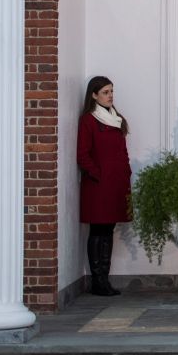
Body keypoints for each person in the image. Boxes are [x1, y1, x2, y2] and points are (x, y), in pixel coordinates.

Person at [76, 76, 133, 297]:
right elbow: (83, 154)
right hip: (98, 185)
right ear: (94, 95)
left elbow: (122, 151)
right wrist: (98, 175)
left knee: (108, 229)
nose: (110, 96)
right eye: (106, 92)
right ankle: (97, 281)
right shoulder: (89, 120)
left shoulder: (115, 119)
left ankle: (104, 280)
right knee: (98, 229)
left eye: (111, 92)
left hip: (116, 183)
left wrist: (125, 171)